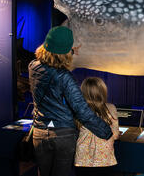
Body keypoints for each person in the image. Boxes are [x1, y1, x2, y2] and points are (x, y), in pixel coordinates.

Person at [29, 26, 112, 176]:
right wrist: (106, 132)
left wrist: (69, 50)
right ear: (65, 52)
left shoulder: (32, 67)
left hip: (40, 132)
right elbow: (82, 111)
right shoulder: (65, 77)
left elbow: (52, 58)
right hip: (62, 135)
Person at [74, 77, 120, 176]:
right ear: (103, 91)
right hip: (105, 160)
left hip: (82, 160)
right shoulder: (111, 108)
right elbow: (115, 135)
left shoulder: (78, 110)